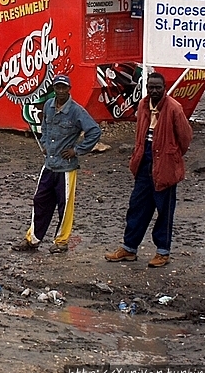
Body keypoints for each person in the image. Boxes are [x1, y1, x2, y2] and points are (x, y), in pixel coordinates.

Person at [105, 72, 193, 267]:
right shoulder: (143, 105)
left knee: (164, 210)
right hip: (144, 163)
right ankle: (129, 248)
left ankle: (163, 252)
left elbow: (185, 138)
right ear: (146, 88)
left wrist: (172, 156)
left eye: (158, 88)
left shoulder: (174, 108)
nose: (154, 91)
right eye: (151, 87)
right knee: (137, 207)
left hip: (165, 166)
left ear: (164, 89)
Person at [12, 74, 102, 254]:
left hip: (66, 168)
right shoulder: (48, 106)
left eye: (63, 88)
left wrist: (77, 150)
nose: (60, 91)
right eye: (57, 88)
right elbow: (44, 126)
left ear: (69, 89)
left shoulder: (77, 111)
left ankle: (61, 241)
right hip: (49, 165)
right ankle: (33, 239)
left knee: (65, 206)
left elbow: (94, 131)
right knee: (39, 200)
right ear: (54, 89)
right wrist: (44, 143)